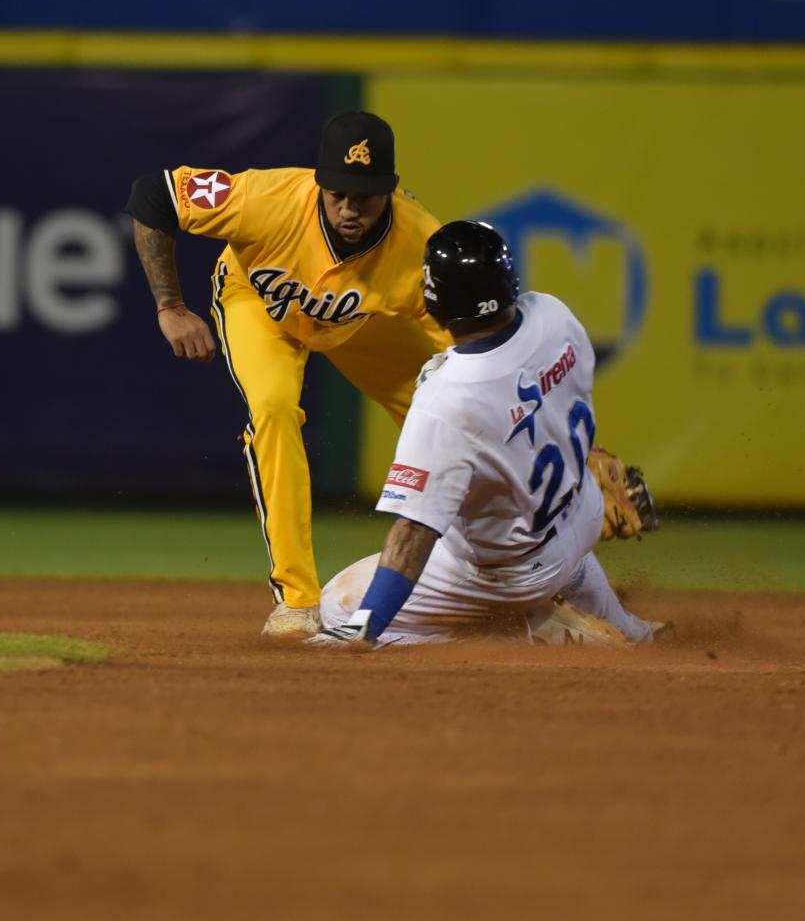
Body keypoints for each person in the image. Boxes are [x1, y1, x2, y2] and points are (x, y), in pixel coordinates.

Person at [125, 111, 453, 637]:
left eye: (364, 196)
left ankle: (533, 556)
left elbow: (485, 359)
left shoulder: (420, 244)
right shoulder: (267, 197)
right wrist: (170, 306)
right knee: (274, 408)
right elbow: (153, 195)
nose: (349, 208)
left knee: (448, 411)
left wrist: (587, 455)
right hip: (258, 304)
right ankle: (298, 602)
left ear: (390, 191)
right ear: (319, 182)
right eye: (338, 193)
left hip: (355, 325)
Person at [306, 220, 660, 649]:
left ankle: (523, 628)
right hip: (582, 509)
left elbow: (416, 529)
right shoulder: (555, 315)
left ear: (434, 298)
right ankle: (631, 630)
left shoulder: (447, 399)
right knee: (528, 518)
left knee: (337, 605)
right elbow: (558, 403)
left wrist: (367, 622)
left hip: (513, 571)